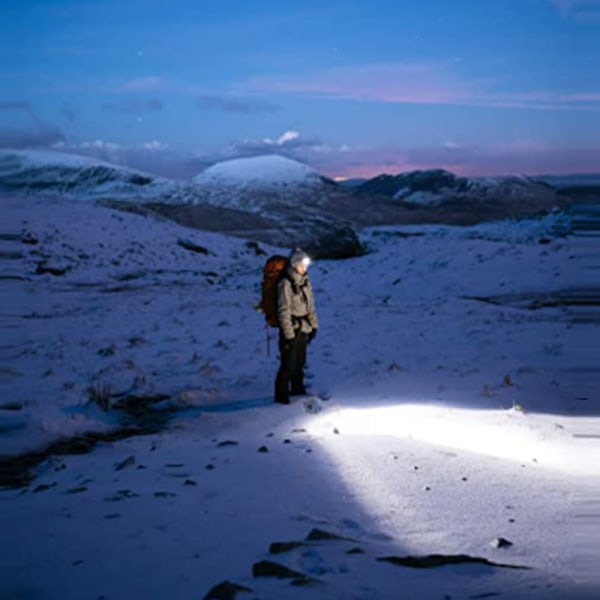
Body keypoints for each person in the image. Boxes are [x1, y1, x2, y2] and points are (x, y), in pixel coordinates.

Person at [274, 248, 319, 404]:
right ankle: (281, 397)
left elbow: (310, 305)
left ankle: (298, 390)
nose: (304, 268)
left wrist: (314, 326)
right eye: (302, 265)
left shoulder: (305, 280)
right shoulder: (285, 283)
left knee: (300, 362)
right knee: (288, 364)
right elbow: (283, 310)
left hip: (304, 327)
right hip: (291, 329)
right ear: (294, 265)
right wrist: (288, 335)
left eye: (306, 265)